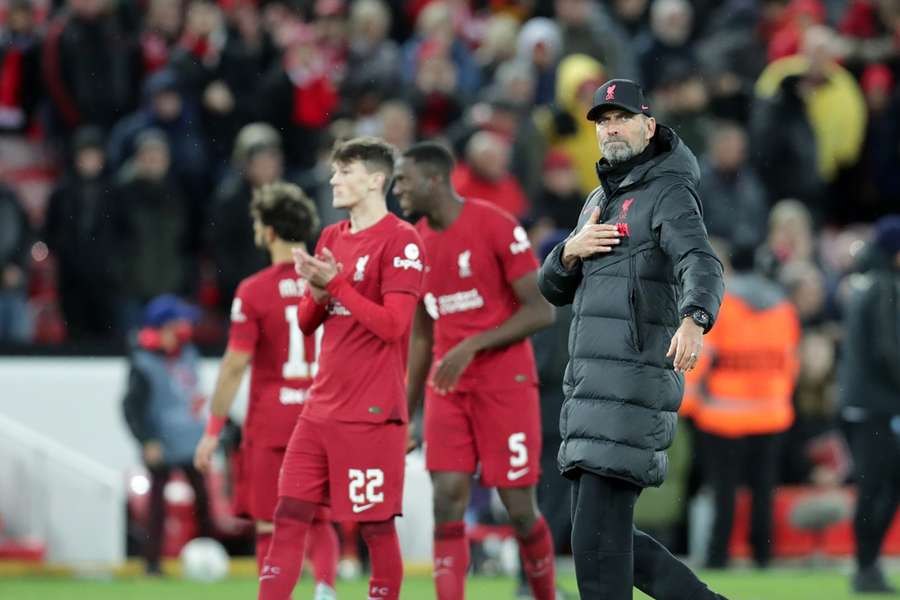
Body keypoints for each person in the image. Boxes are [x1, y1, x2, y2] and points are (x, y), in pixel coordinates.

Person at [537, 78, 727, 599]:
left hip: (631, 382)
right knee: (603, 539)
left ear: (648, 125)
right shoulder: (600, 197)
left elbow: (700, 261)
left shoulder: (666, 190)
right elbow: (553, 290)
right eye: (602, 120)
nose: (610, 128)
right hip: (591, 386)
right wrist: (568, 252)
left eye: (621, 118)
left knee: (598, 547)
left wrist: (694, 318)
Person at [258, 137, 425, 600]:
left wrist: (338, 284)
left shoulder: (402, 241)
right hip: (319, 411)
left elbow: (393, 326)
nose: (333, 179)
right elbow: (309, 324)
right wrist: (316, 290)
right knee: (289, 515)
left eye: (344, 171)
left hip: (371, 414)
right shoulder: (331, 237)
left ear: (375, 181)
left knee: (374, 528)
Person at [393, 142, 557, 600]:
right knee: (446, 498)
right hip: (448, 388)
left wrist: (473, 344)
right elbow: (423, 335)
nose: (397, 189)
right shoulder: (416, 244)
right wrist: (406, 411)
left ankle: (544, 593)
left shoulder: (495, 224)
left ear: (432, 180)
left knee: (519, 508)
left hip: (506, 385)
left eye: (403, 180)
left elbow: (541, 311)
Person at [193, 182, 338, 599]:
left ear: (268, 230)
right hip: (321, 417)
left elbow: (235, 364)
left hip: (273, 423)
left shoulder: (254, 290)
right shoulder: (329, 282)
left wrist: (213, 429)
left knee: (270, 523)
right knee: (320, 519)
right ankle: (325, 591)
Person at [691, 244, 801, 569]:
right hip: (771, 411)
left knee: (723, 491)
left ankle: (717, 555)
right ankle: (763, 554)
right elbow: (791, 362)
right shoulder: (783, 307)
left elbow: (701, 358)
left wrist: (691, 404)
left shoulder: (721, 305)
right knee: (763, 490)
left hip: (722, 414)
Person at [121, 294, 213, 576]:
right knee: (156, 507)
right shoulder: (144, 362)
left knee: (203, 503)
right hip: (161, 443)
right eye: (178, 322)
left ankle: (209, 556)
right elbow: (130, 407)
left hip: (190, 439)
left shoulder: (188, 354)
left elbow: (194, 396)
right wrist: (146, 439)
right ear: (163, 327)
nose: (185, 327)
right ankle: (151, 563)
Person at [839, 215, 900, 594]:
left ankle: (867, 562)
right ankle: (866, 564)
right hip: (879, 406)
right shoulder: (885, 288)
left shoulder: (865, 284)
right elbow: (888, 351)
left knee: (875, 486)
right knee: (882, 487)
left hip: (862, 403)